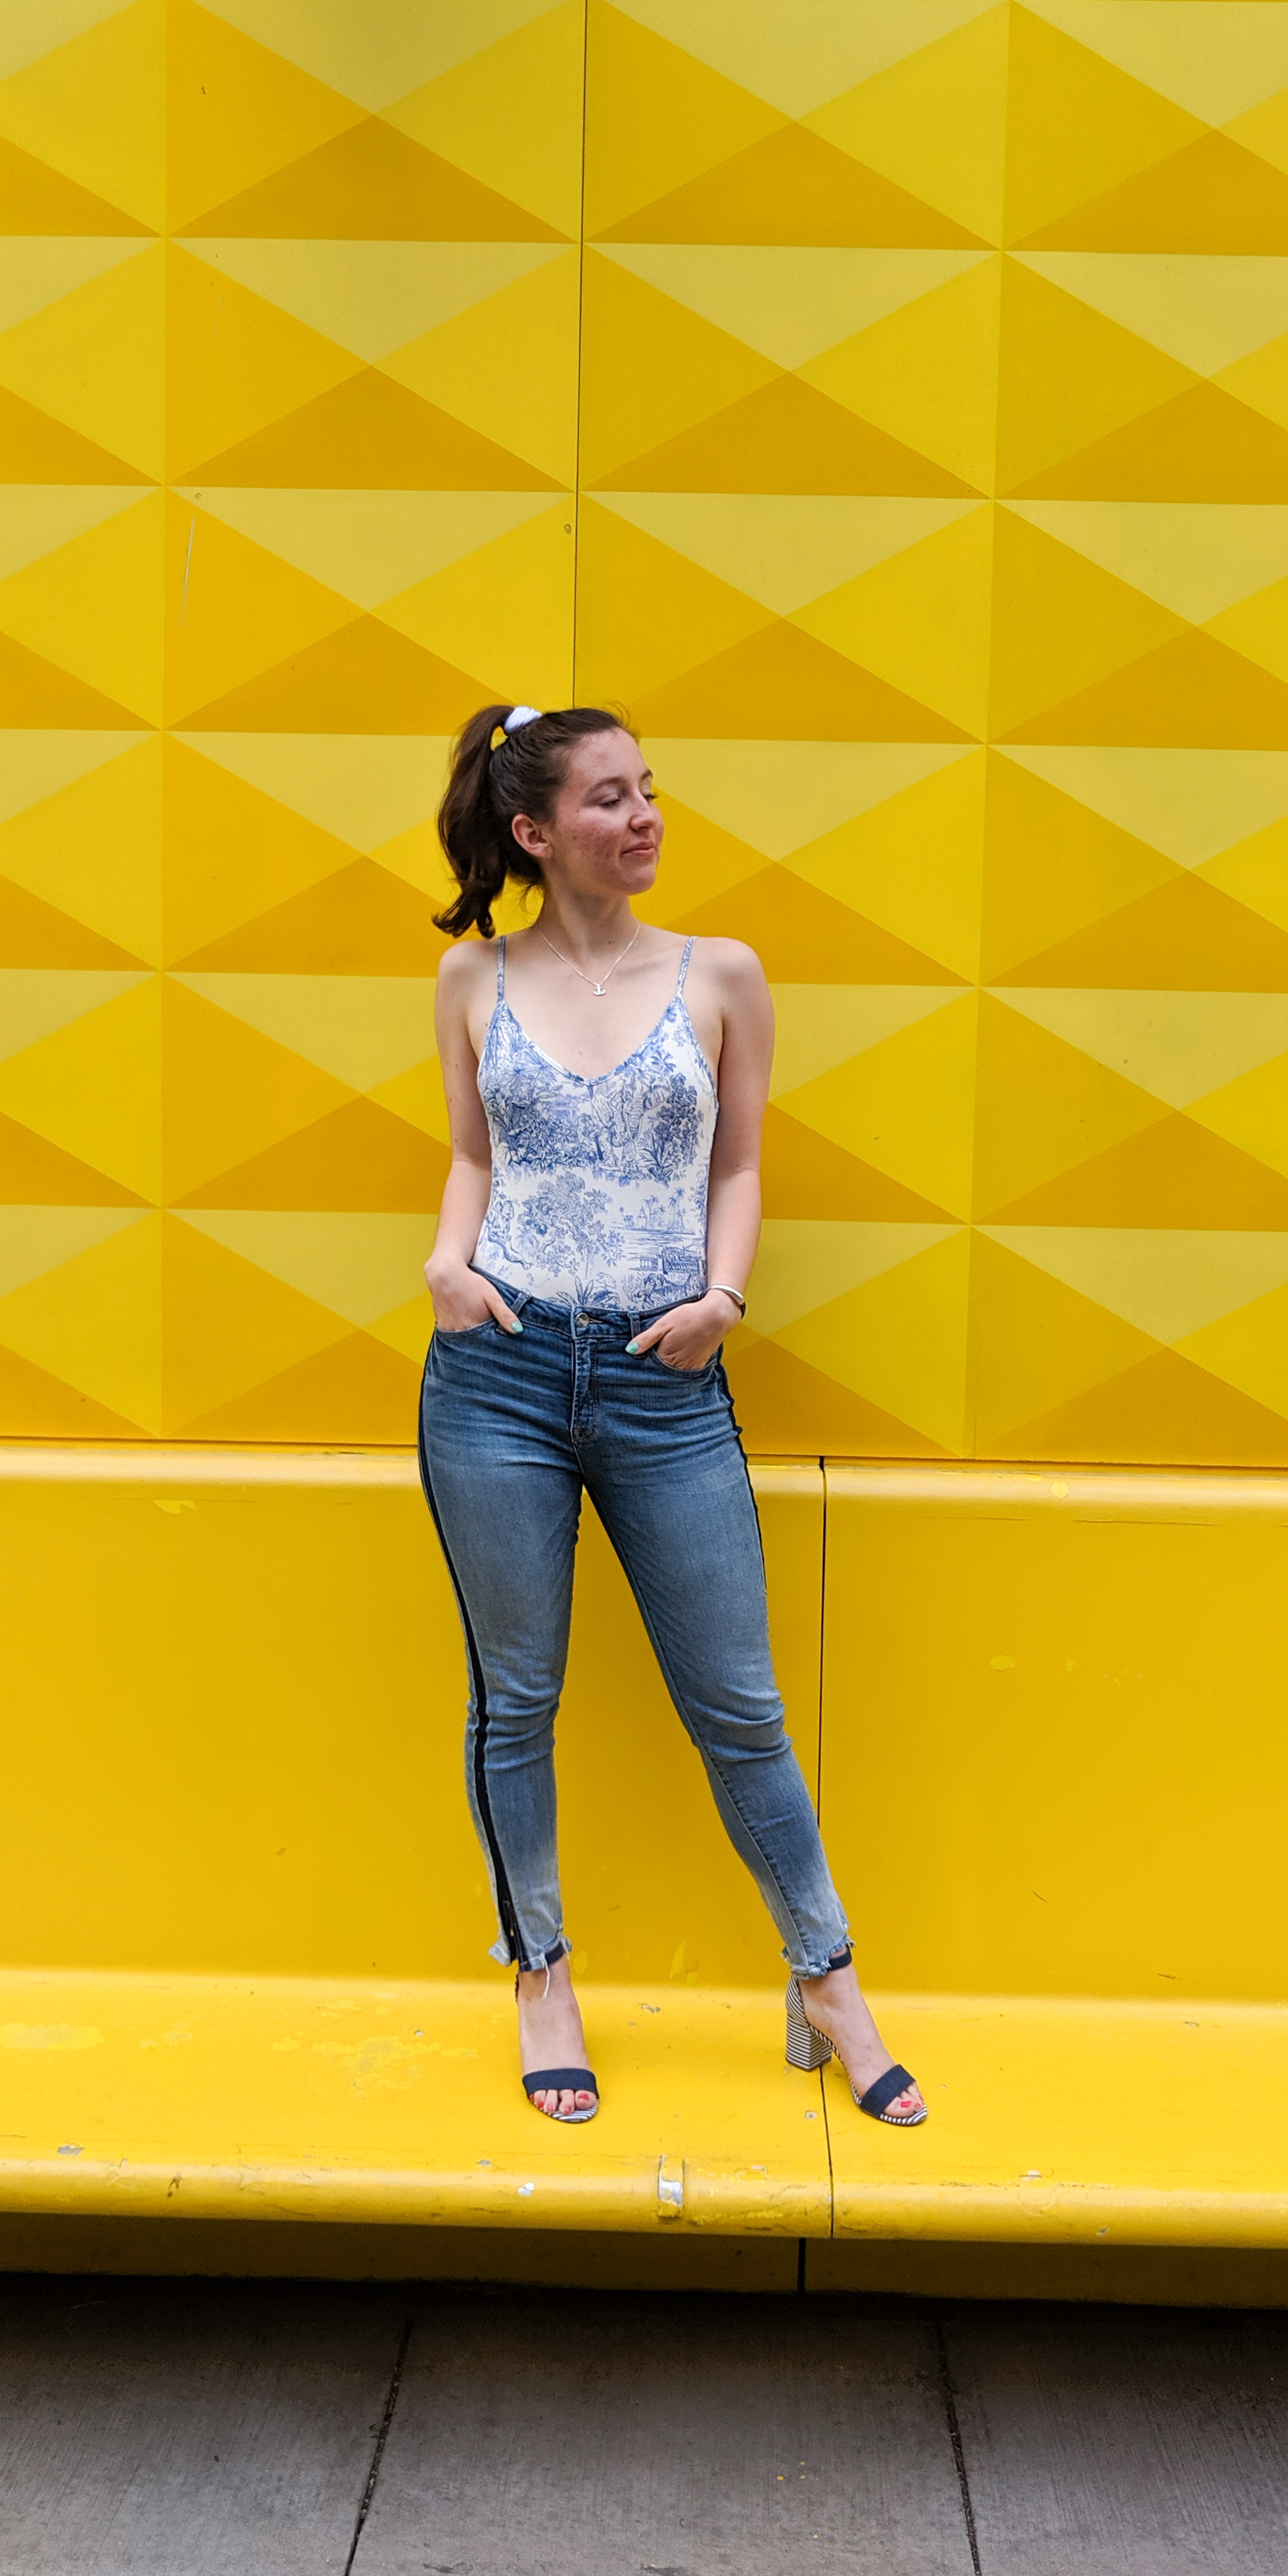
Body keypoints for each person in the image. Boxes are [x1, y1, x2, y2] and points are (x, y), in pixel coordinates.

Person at [417, 700, 925, 2130]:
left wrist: (725, 1300)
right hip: (498, 1379)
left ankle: (827, 1982)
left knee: (740, 1709)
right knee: (516, 1703)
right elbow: (472, 1153)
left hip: (666, 1380)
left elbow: (743, 1167)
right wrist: (448, 1265)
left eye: (650, 793)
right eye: (608, 799)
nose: (643, 818)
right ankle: (543, 1976)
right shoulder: (473, 981)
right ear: (534, 833)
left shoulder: (722, 975)